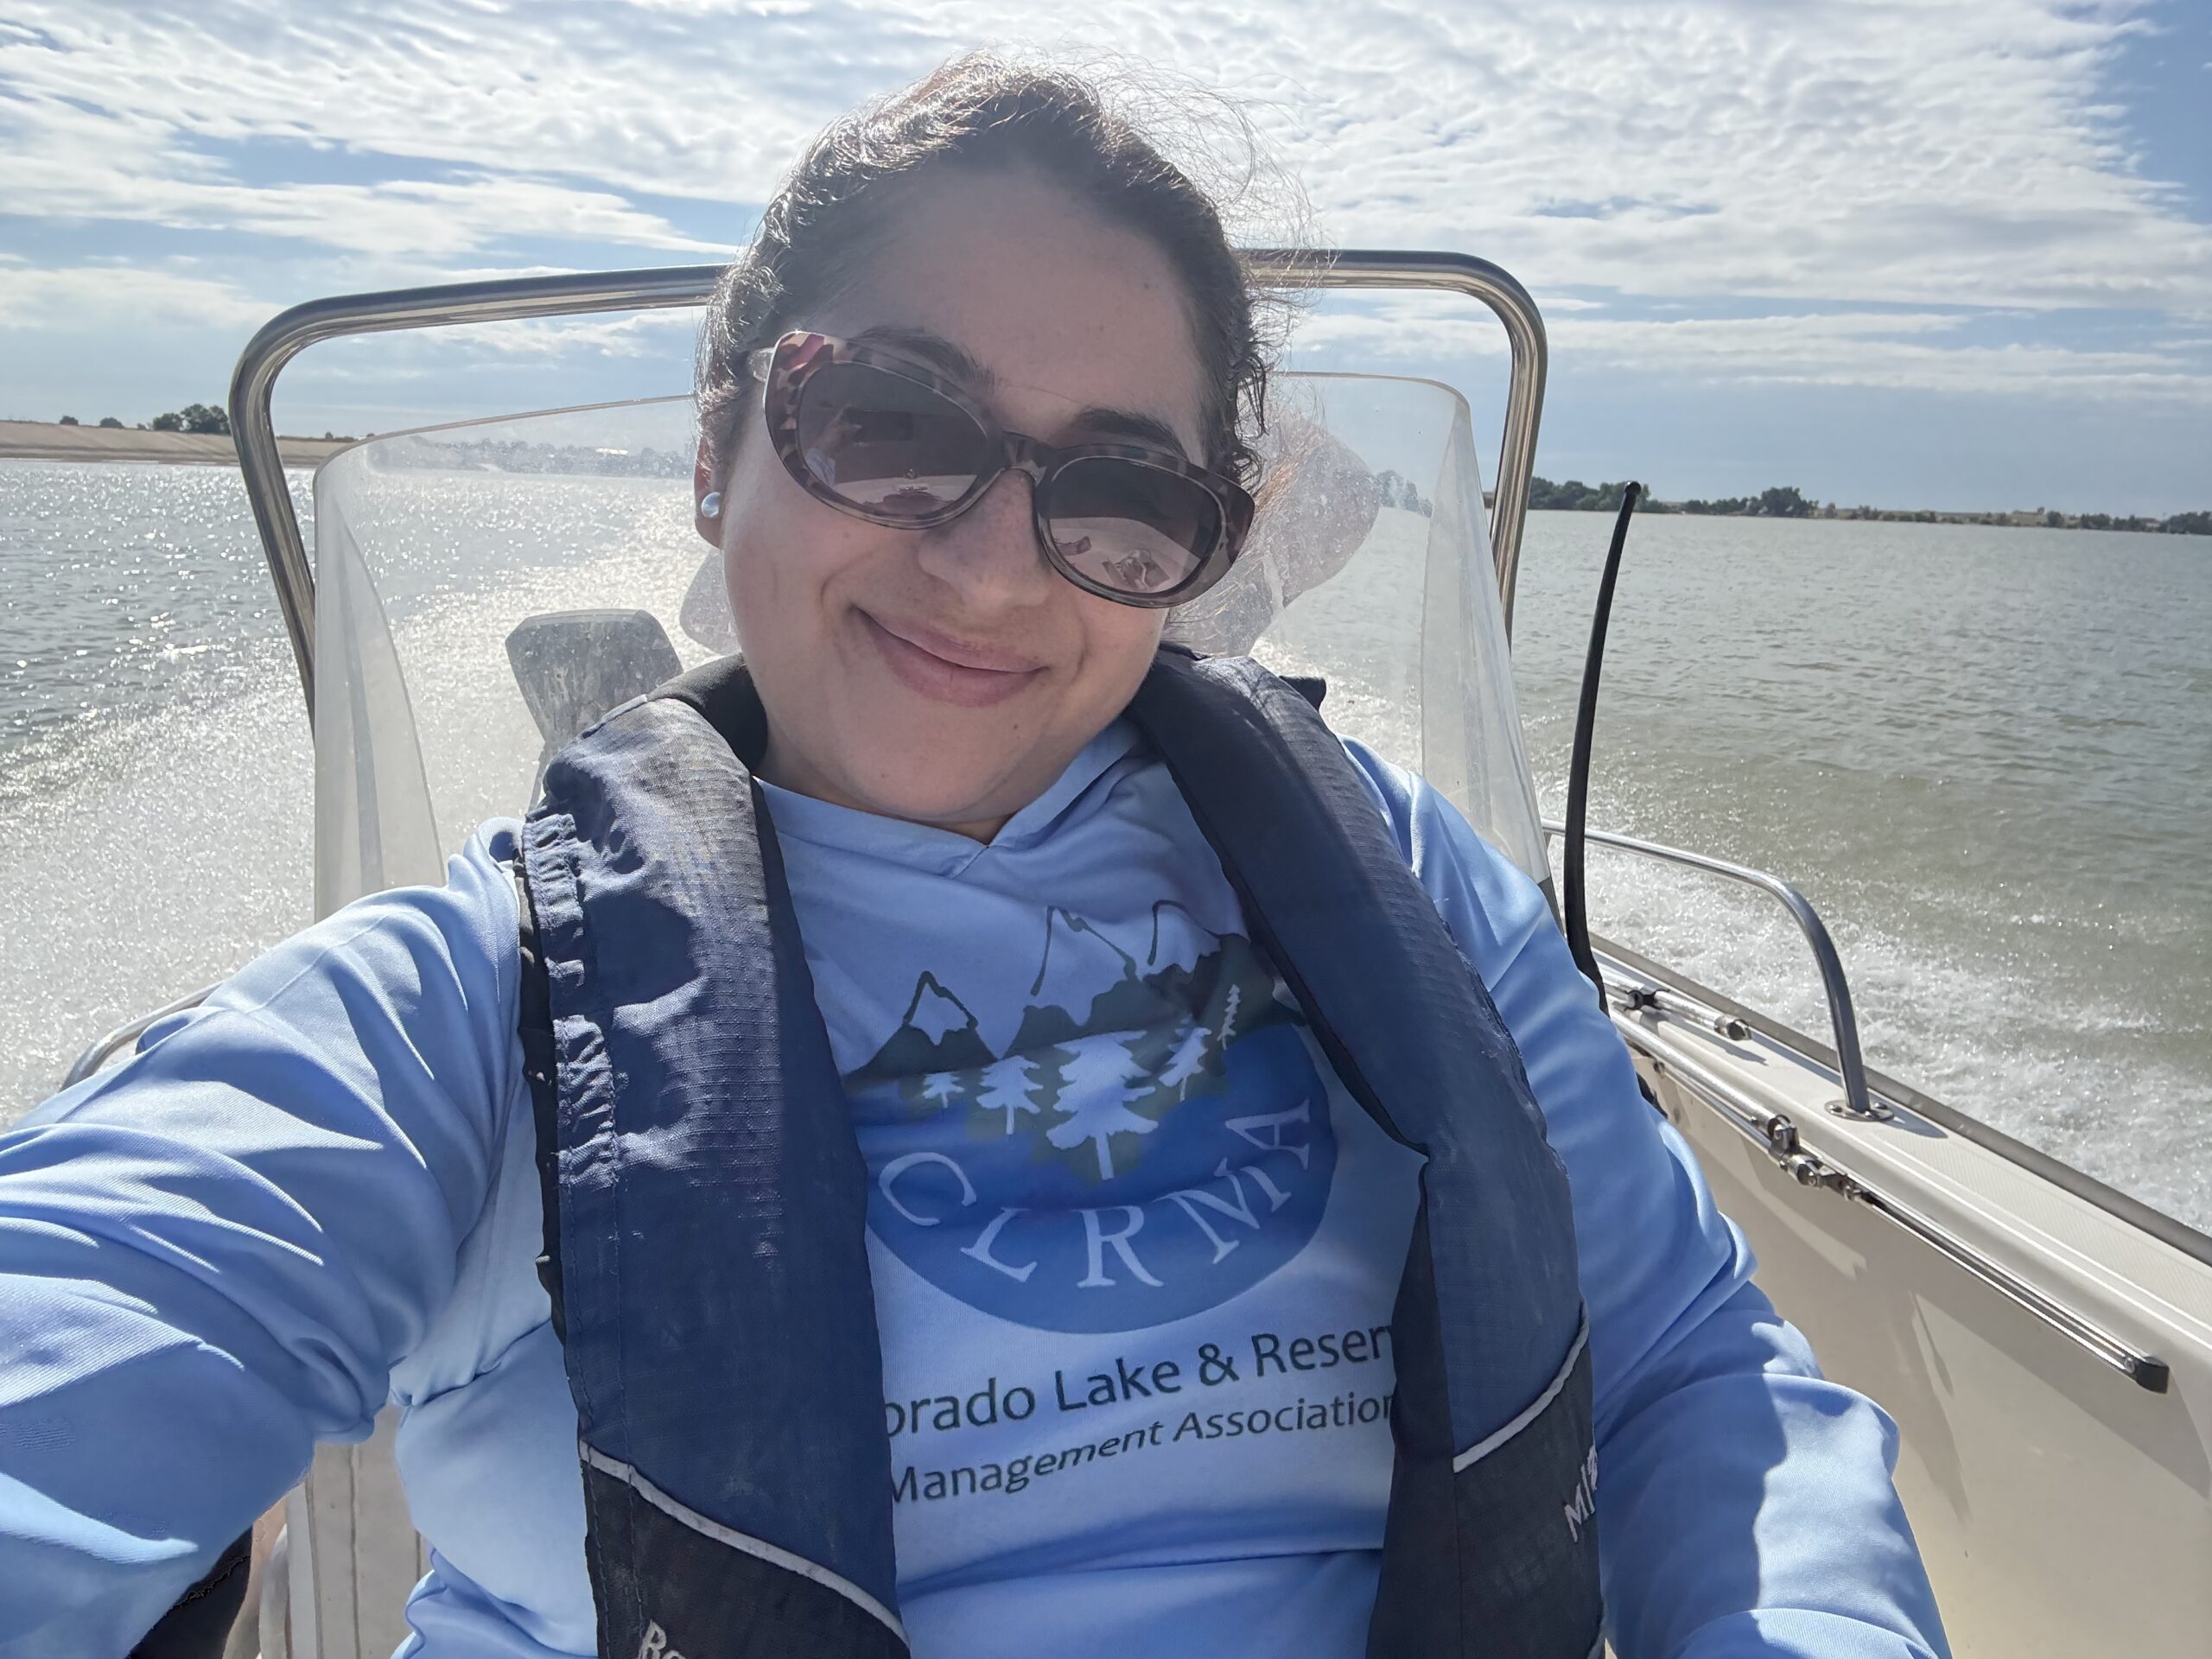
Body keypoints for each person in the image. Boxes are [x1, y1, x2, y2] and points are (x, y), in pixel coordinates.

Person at [0, 54, 1949, 1659]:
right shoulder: (468, 1010)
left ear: (1201, 546)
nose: (994, 562)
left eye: (1121, 490)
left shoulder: (1408, 885)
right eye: (891, 421)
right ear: (717, 444)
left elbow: (1690, 1361)